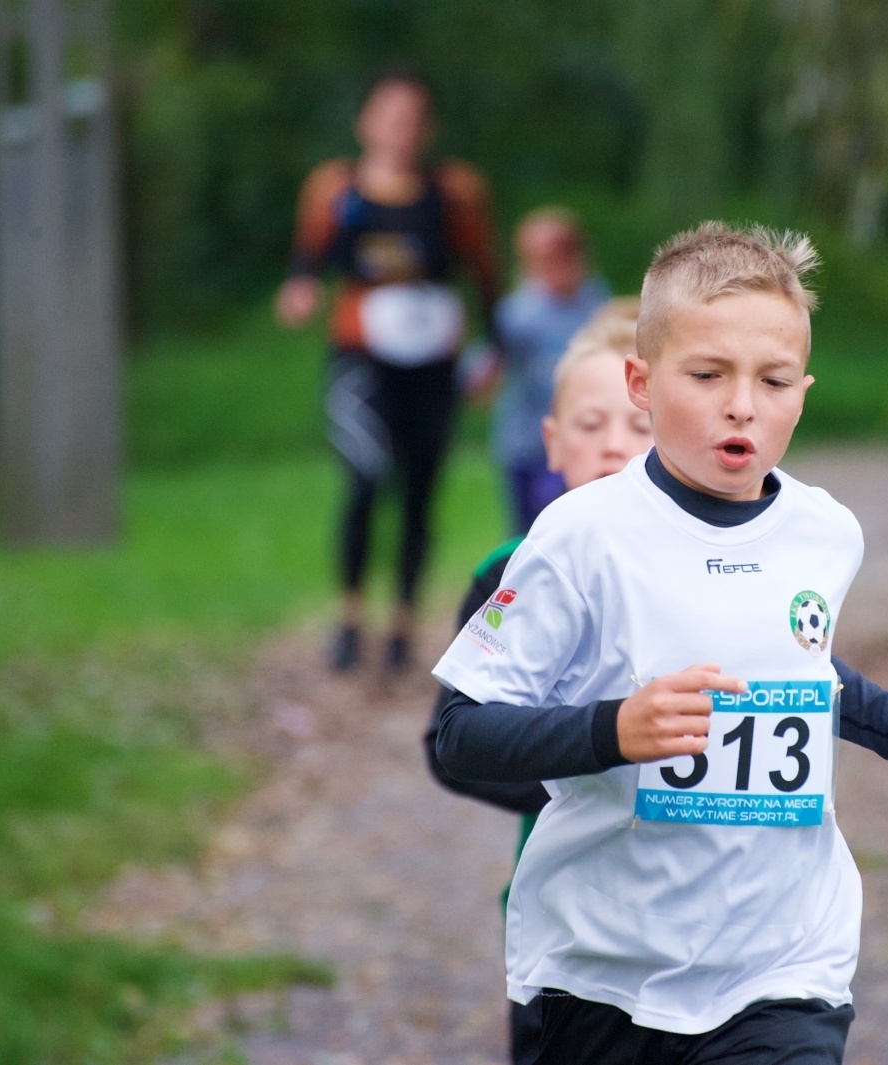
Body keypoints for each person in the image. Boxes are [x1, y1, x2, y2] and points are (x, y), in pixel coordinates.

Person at [430, 223, 888, 1064]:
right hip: (605, 973)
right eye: (708, 375)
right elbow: (458, 734)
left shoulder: (825, 533)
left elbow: (800, 667)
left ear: (802, 391)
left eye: (772, 380)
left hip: (784, 967)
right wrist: (612, 730)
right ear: (643, 383)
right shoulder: (580, 536)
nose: (743, 404)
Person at [426, 298, 652, 1064]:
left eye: (640, 427)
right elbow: (449, 744)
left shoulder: (737, 572)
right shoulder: (510, 572)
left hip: (713, 925)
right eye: (592, 426)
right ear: (553, 442)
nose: (615, 448)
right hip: (565, 920)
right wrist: (588, 764)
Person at [276, 68, 500, 674]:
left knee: (421, 491)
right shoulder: (335, 187)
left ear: (425, 129)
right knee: (365, 479)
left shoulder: (454, 191)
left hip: (434, 359)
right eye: (389, 116)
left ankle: (402, 622)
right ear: (366, 124)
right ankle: (350, 618)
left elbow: (484, 271)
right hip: (361, 355)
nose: (400, 130)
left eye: (412, 119)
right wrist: (298, 289)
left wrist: (495, 349)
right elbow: (307, 258)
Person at [491, 208, 611, 534]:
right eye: (543, 257)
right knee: (527, 533)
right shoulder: (515, 313)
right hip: (525, 440)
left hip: (581, 439)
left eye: (564, 253)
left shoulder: (599, 307)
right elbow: (488, 366)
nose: (555, 265)